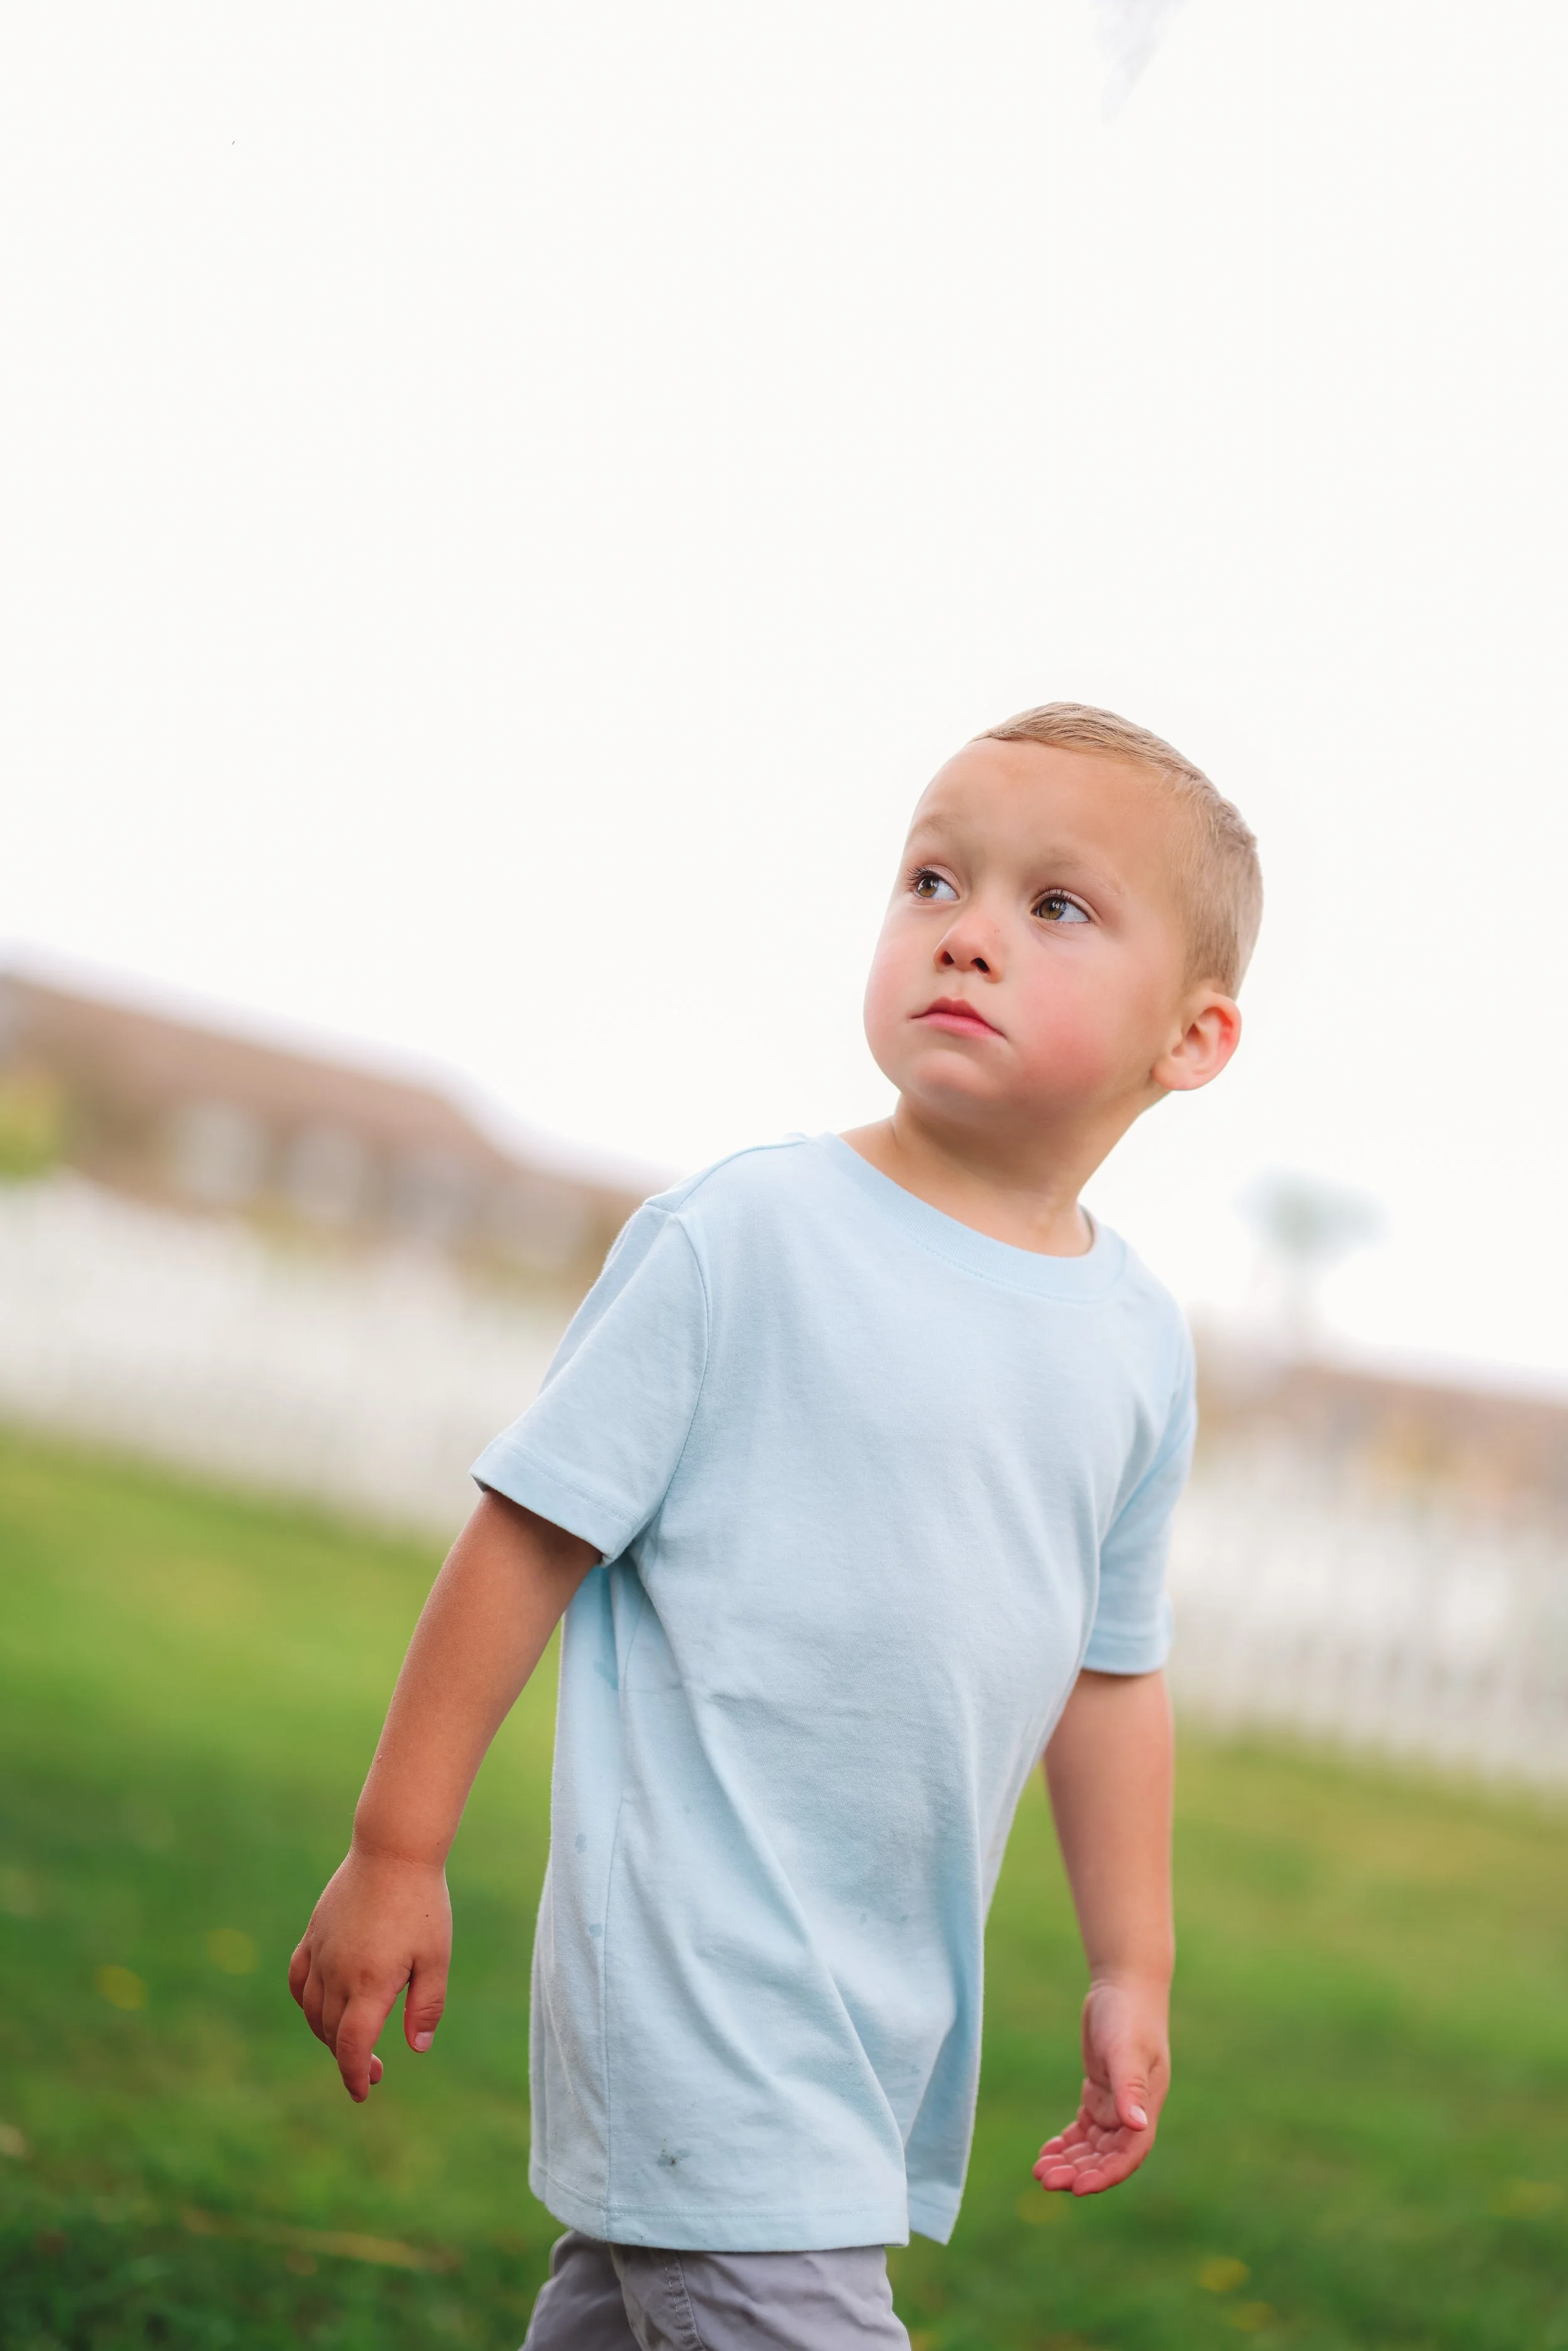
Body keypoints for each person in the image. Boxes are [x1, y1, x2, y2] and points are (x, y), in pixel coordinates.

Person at [289, 701, 1261, 2348]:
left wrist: (1131, 1966)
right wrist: (398, 1849)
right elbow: (528, 1533)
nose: (965, 932)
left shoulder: (1132, 1341)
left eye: (1055, 906)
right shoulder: (745, 1236)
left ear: (1191, 1038)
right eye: (931, 879)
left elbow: (1110, 1673)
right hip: (702, 1974)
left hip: (876, 1993)